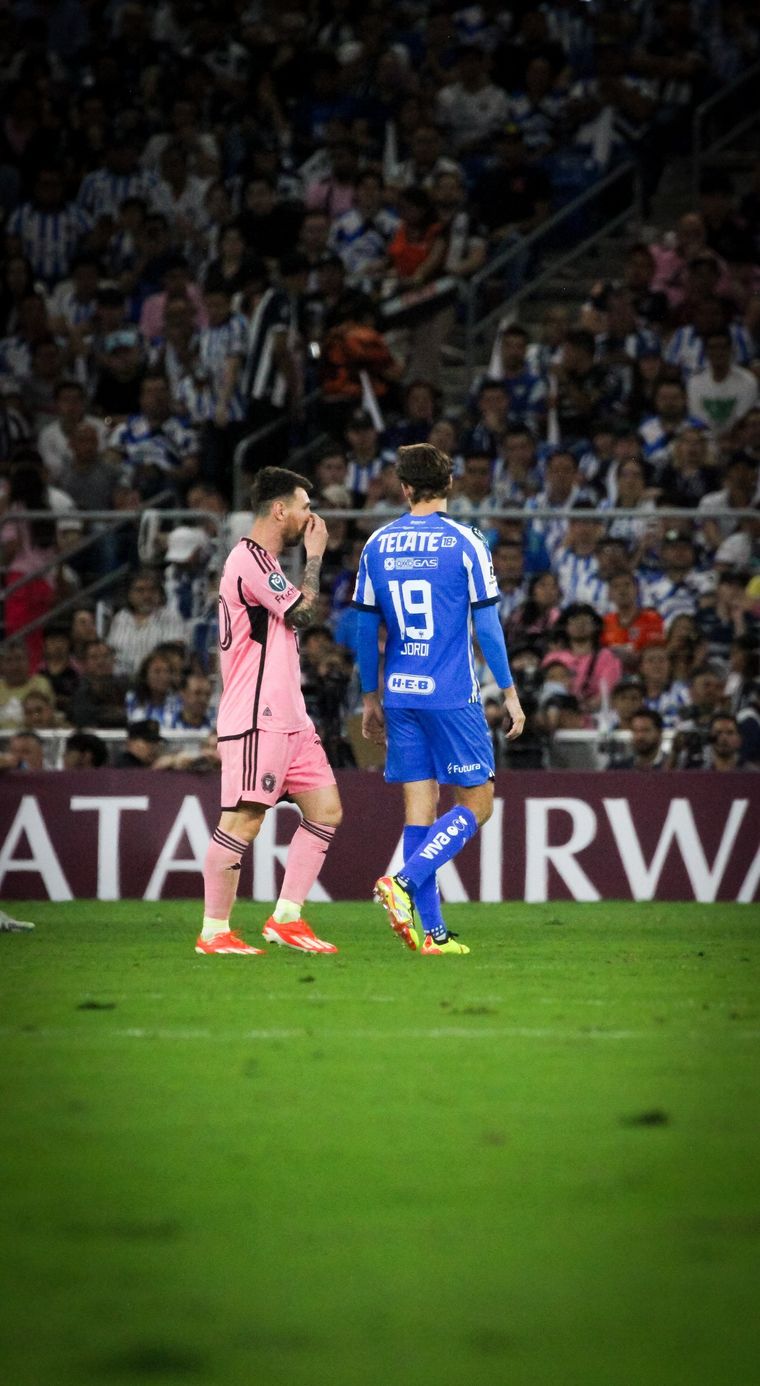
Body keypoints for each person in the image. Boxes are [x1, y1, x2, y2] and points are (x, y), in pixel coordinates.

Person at [352, 443, 525, 956]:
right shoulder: (467, 541)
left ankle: (433, 934)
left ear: (404, 489)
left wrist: (369, 696)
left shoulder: (377, 544)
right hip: (451, 693)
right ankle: (403, 882)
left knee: (418, 811)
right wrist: (511, 693)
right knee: (478, 804)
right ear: (449, 485)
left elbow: (365, 629)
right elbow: (488, 626)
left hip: (400, 692)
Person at [197, 467, 342, 957]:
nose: (310, 515)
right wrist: (316, 557)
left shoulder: (267, 562)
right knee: (244, 819)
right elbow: (303, 612)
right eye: (304, 505)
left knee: (325, 810)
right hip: (258, 713)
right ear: (280, 509)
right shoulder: (249, 559)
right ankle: (214, 931)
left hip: (290, 716)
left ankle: (286, 919)